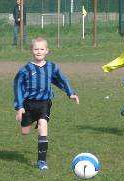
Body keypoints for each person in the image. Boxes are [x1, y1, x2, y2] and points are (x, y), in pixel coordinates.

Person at [13, 37, 79, 170]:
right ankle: (31, 120)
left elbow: (62, 79)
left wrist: (70, 93)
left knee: (43, 125)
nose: (39, 51)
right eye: (36, 49)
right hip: (28, 104)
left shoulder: (52, 67)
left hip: (44, 103)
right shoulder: (25, 69)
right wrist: (19, 107)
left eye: (42, 49)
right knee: (25, 131)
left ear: (47, 51)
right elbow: (17, 86)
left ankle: (41, 161)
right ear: (32, 50)